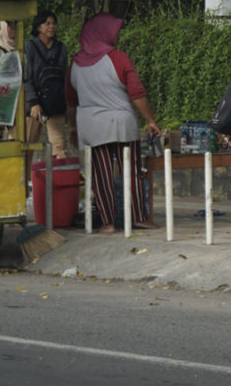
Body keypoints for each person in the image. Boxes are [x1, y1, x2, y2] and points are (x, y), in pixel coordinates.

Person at [66, 13, 161, 233]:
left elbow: (71, 101)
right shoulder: (118, 58)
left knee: (101, 177)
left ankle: (108, 223)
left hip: (92, 126)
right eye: (114, 32)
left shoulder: (75, 64)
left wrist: (73, 127)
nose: (117, 36)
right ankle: (140, 217)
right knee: (134, 171)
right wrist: (150, 120)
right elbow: (137, 92)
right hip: (122, 123)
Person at [24, 11, 70, 159]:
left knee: (59, 147)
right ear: (38, 27)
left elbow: (65, 77)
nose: (51, 27)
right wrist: (33, 103)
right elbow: (26, 77)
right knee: (26, 146)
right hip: (34, 107)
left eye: (53, 23)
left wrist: (67, 103)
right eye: (47, 23)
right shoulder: (29, 47)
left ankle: (60, 179)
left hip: (55, 104)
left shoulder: (61, 48)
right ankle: (24, 179)